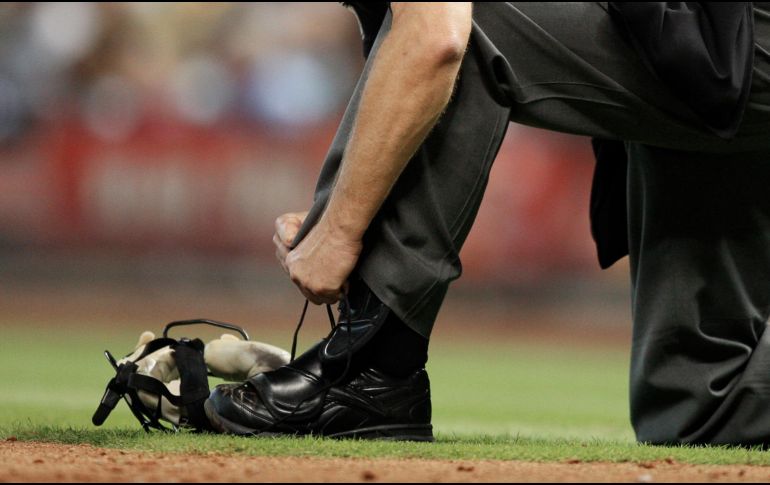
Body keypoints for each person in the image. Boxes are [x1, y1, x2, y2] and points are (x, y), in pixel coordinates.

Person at [205, 2, 770, 445]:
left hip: (724, 29)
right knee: (705, 404)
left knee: (482, 25)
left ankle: (374, 371)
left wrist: (341, 228)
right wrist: (356, 197)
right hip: (700, 33)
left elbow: (439, 38)